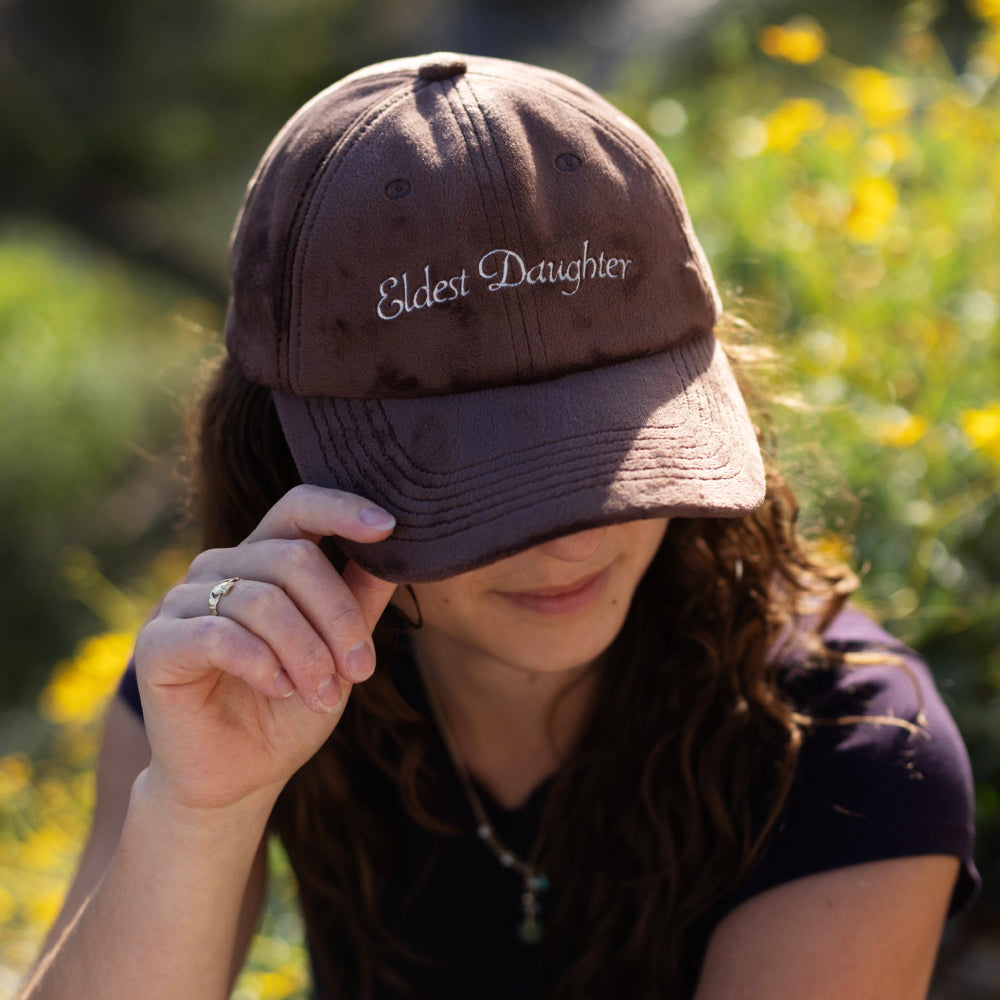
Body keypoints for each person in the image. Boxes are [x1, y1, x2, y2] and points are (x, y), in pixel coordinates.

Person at [20, 52, 977, 1000]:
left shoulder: (853, 749)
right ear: (288, 453)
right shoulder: (237, 676)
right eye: (482, 483)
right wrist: (198, 812)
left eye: (617, 460)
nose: (572, 540)